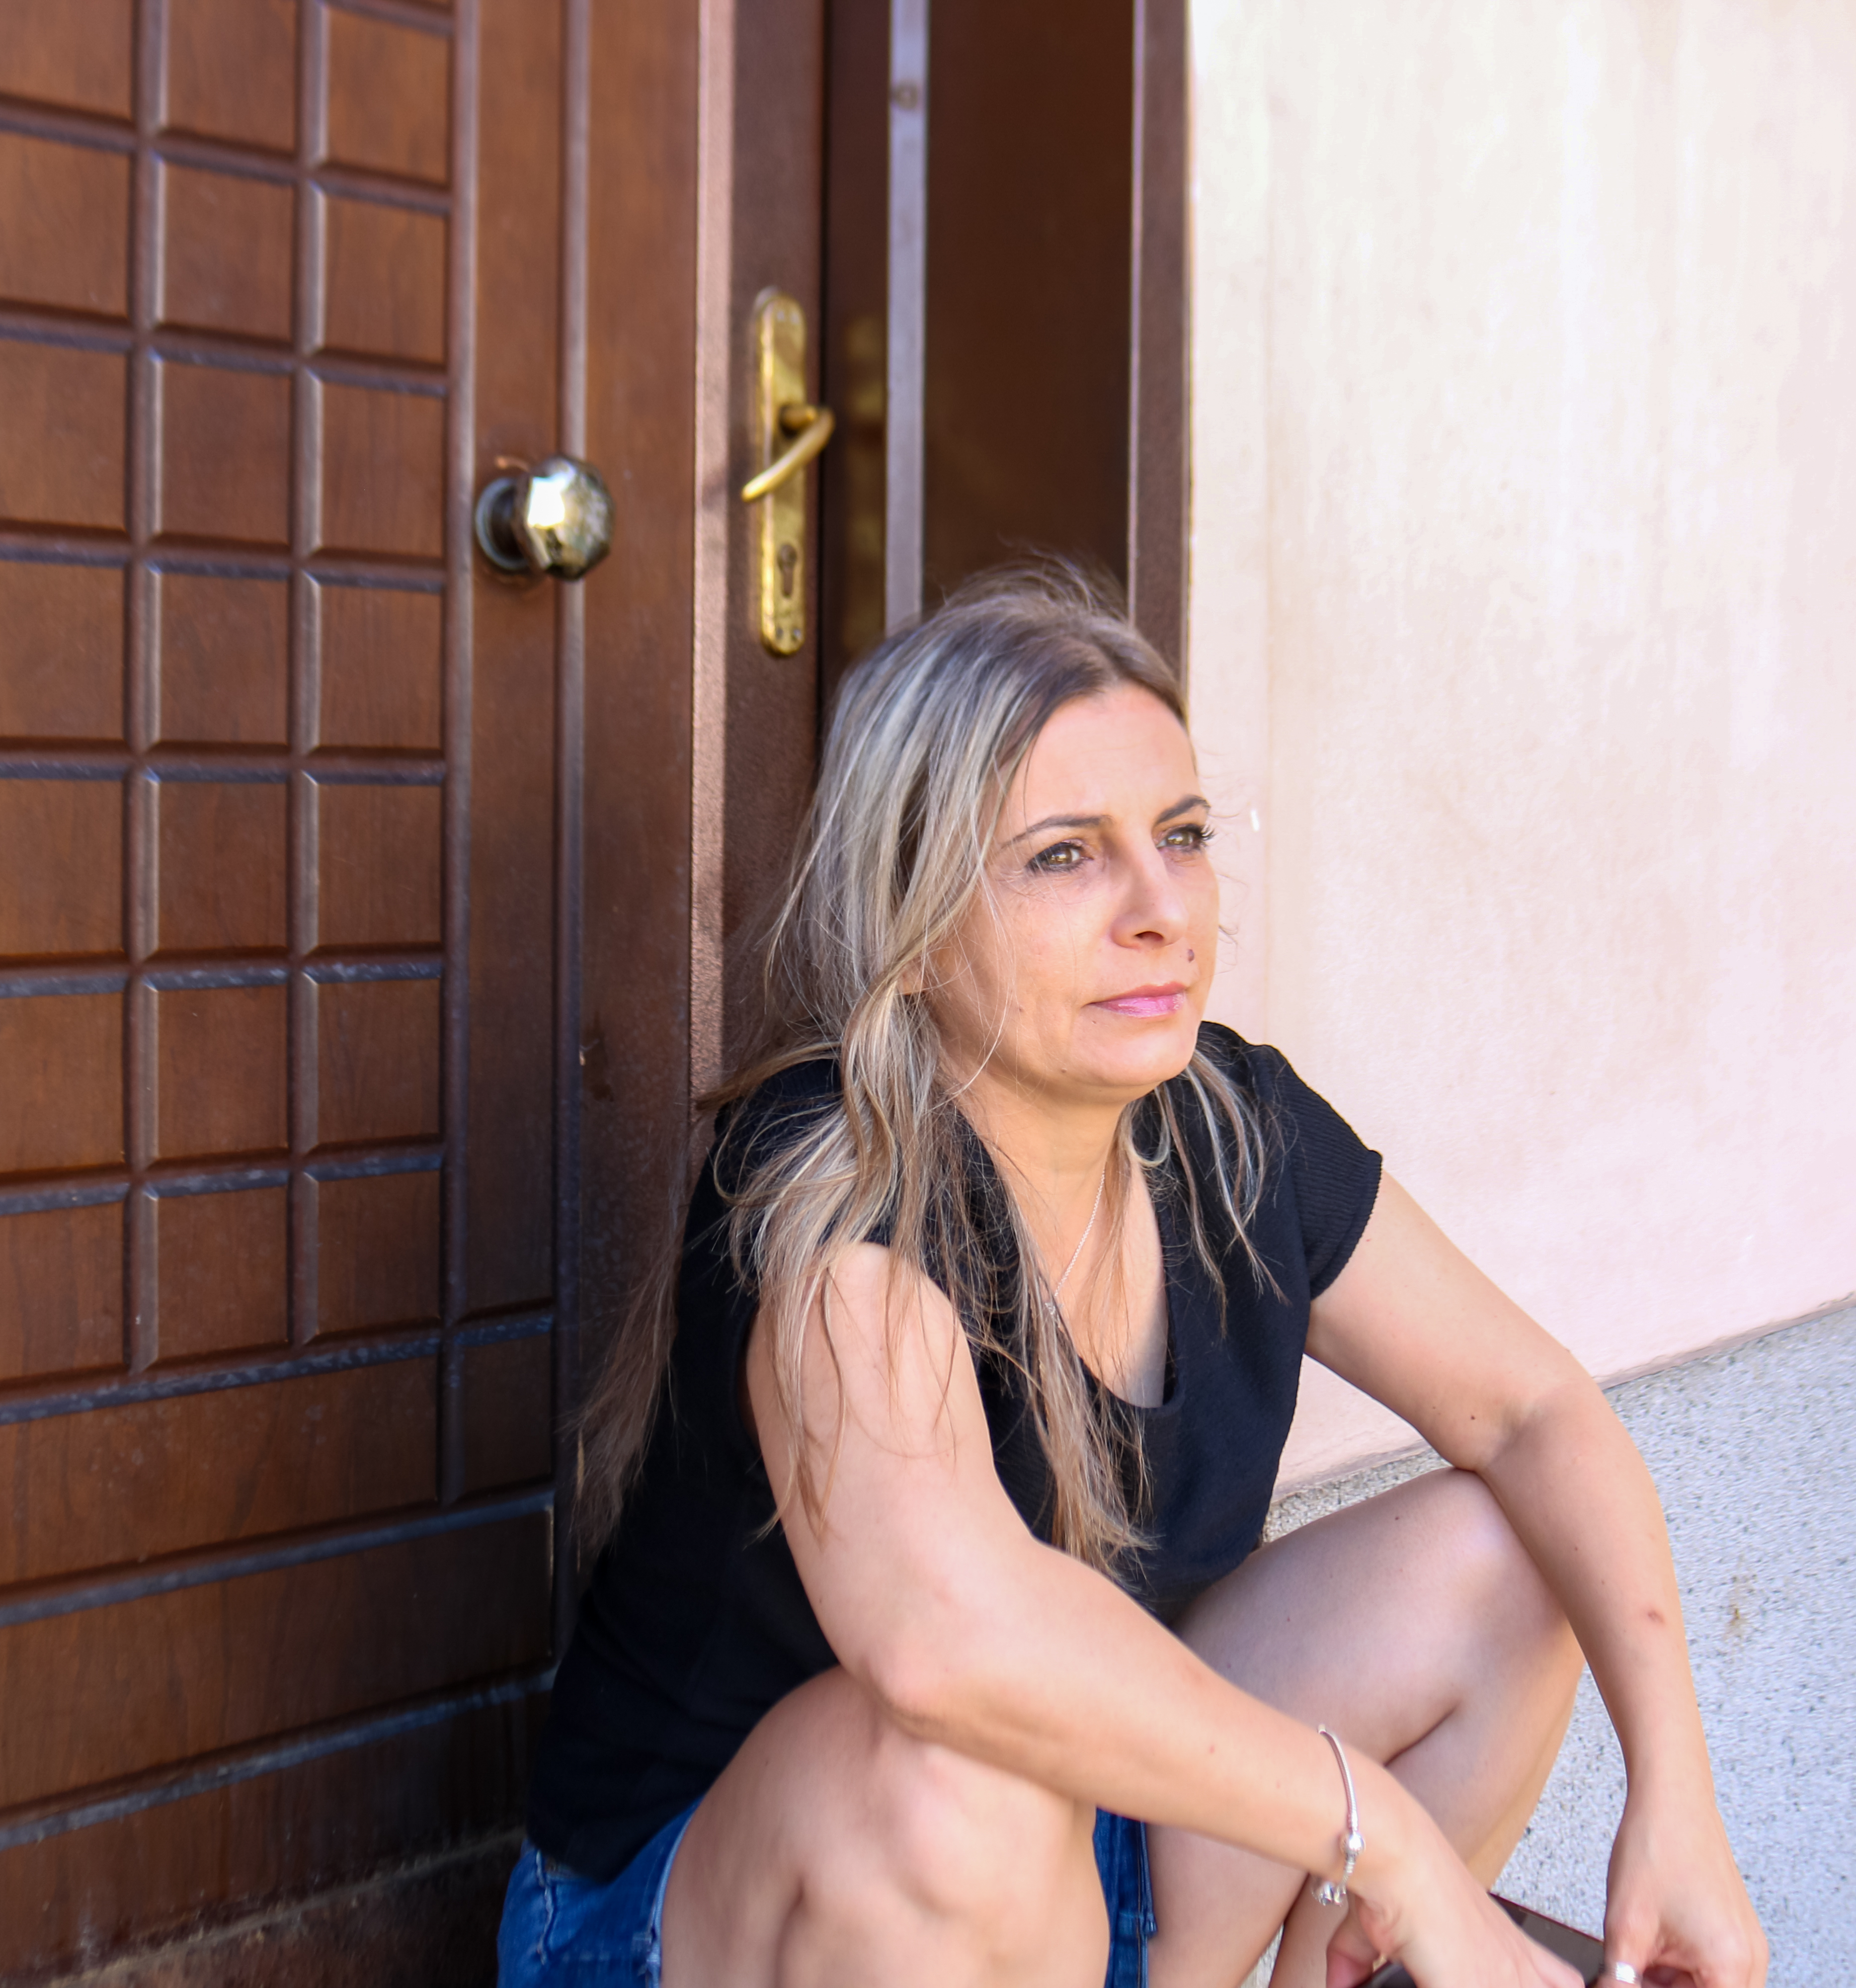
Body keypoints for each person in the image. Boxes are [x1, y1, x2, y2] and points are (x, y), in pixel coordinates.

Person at [499, 571, 1768, 1988]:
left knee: (1509, 1559)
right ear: (911, 926)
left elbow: (1535, 1415)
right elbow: (947, 1649)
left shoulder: (1233, 1126)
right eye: (1065, 855)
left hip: (1075, 1874)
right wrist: (1389, 1843)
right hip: (710, 1921)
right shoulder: (821, 1175)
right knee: (953, 1781)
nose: (1161, 909)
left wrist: (1679, 1800)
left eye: (1181, 836)